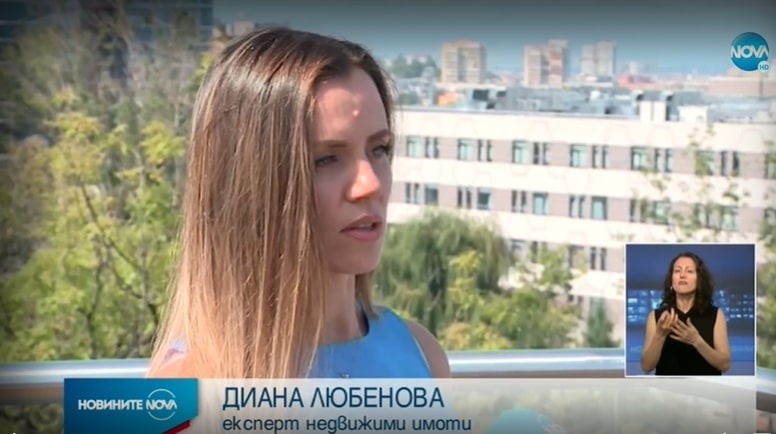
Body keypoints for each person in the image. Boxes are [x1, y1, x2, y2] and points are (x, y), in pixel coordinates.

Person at [146, 27, 450, 380]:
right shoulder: (185, 387)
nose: (371, 185)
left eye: (379, 149)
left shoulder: (422, 354)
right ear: (252, 184)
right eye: (326, 159)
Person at [640, 251, 731, 376]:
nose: (682, 275)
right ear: (671, 280)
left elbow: (724, 365)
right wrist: (660, 336)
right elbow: (646, 367)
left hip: (705, 387)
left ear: (699, 280)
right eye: (677, 271)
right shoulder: (656, 317)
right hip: (668, 388)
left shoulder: (715, 315)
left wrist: (696, 341)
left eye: (689, 271)